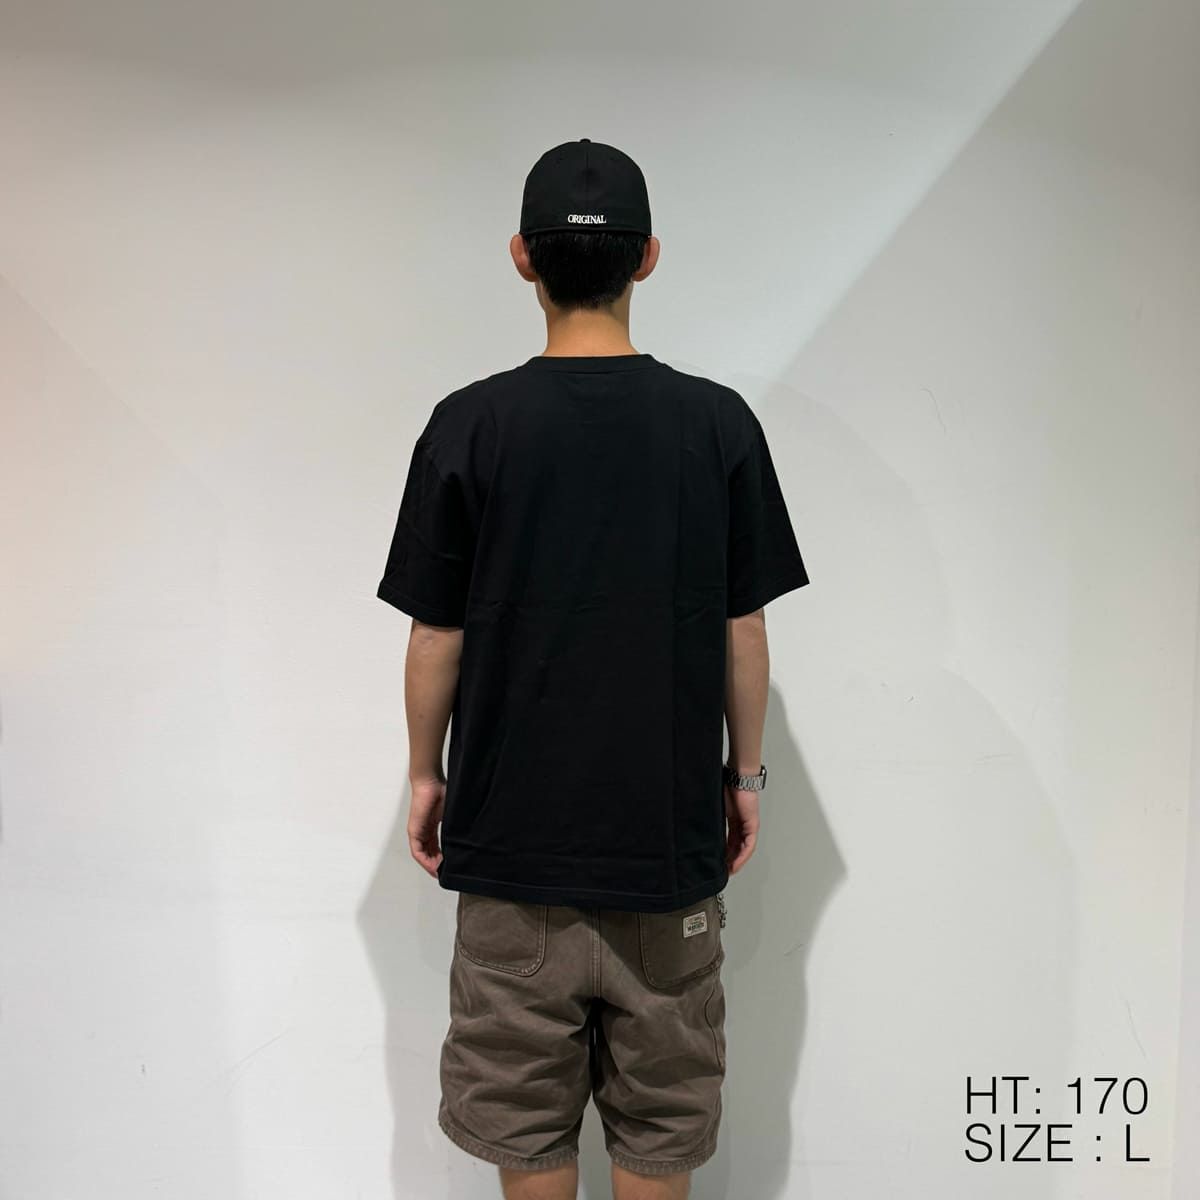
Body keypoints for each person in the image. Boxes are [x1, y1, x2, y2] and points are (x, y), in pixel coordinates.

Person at [376, 138, 810, 1200]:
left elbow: (435, 636)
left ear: (522, 257)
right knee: (660, 1133)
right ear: (647, 258)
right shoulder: (716, 423)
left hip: (513, 866)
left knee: (526, 1133)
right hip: (664, 860)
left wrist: (426, 775)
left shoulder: (469, 424)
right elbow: (741, 628)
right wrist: (746, 778)